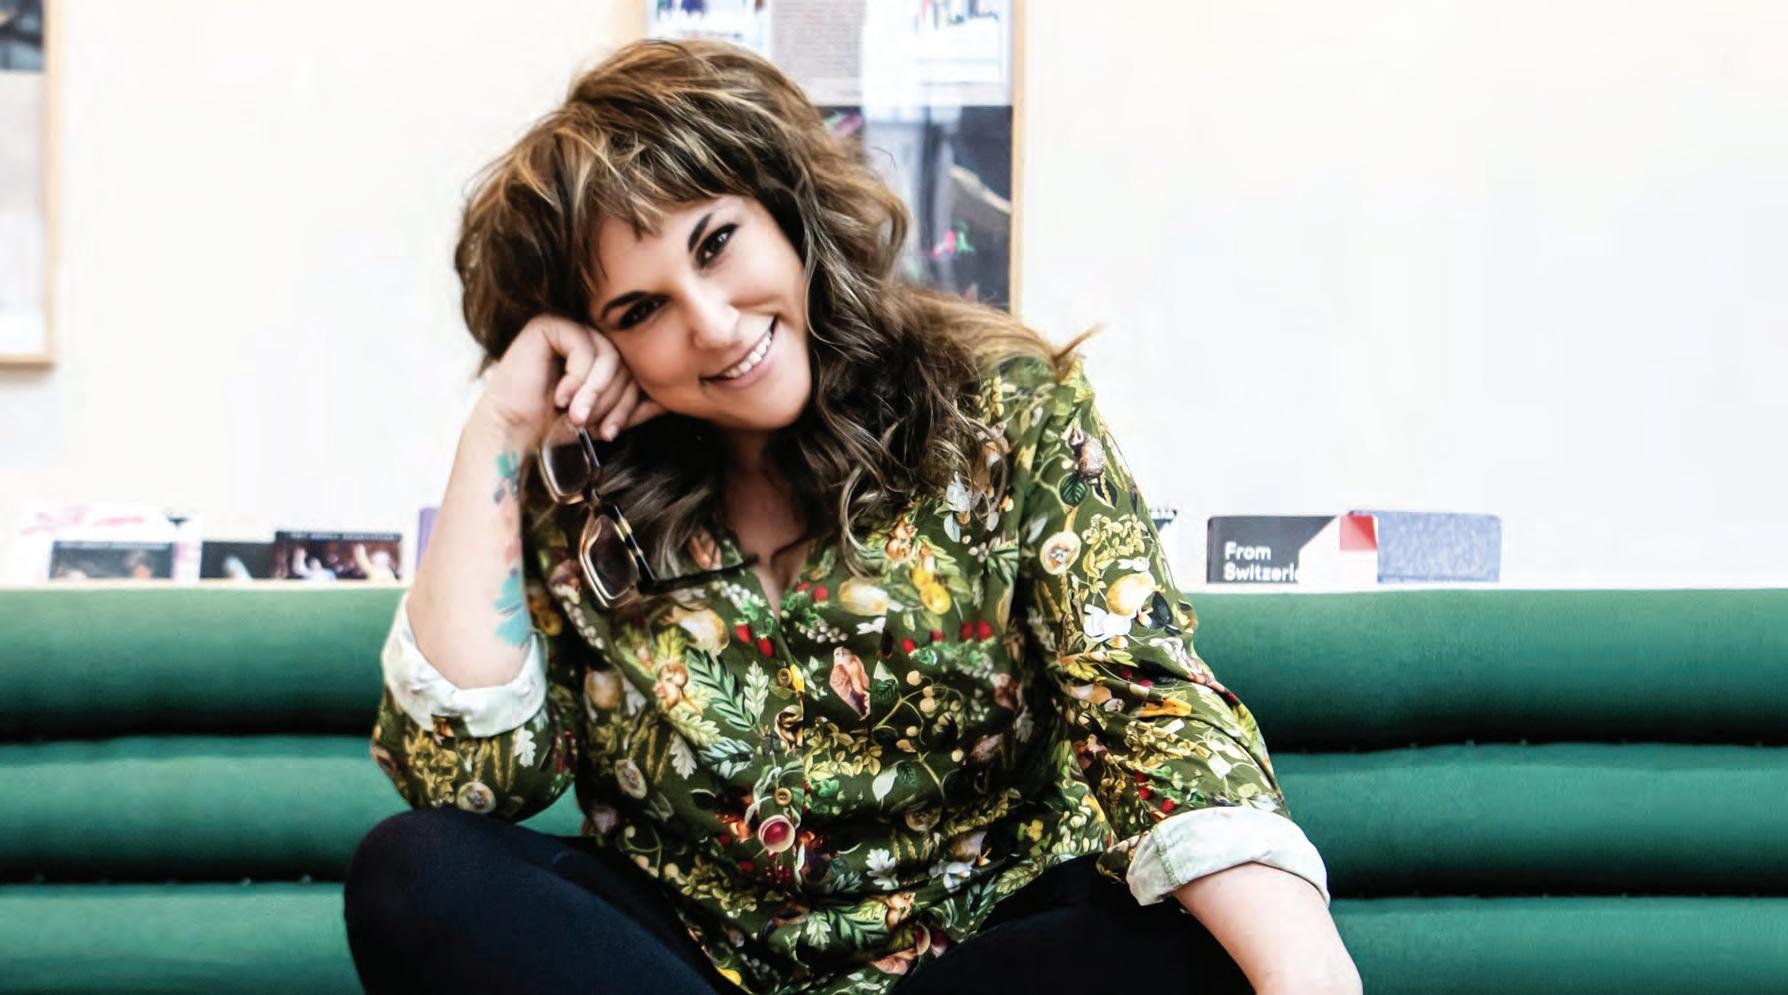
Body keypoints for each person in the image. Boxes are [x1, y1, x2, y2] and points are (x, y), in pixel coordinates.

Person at [344, 38, 1359, 995]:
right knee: (415, 868)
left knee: (1193, 931)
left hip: (979, 952)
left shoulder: (999, 406)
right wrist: (500, 426)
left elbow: (1146, 709)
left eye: (717, 243)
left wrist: (1307, 976)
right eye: (640, 309)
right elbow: (472, 784)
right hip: (692, 966)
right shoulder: (584, 489)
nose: (714, 325)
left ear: (787, 209)